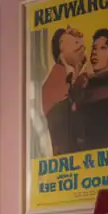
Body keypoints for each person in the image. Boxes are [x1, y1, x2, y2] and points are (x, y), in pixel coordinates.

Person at [41, 26, 87, 155]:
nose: (80, 44)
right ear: (61, 46)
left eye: (80, 42)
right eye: (74, 42)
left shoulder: (80, 75)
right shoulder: (55, 81)